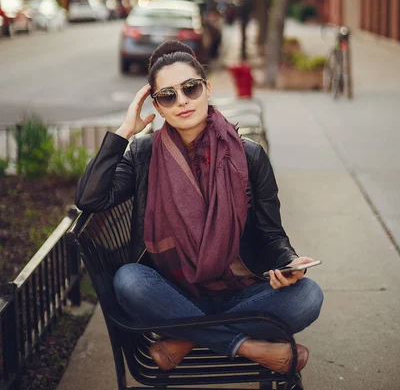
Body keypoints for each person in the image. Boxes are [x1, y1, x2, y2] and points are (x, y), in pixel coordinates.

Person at [76, 41, 323, 374]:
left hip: (239, 293)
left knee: (308, 296)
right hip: (172, 293)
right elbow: (90, 199)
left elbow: (270, 232)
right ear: (158, 107)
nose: (181, 101)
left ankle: (188, 336)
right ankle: (248, 346)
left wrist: (289, 263)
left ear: (207, 89)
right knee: (130, 281)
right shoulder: (144, 154)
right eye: (167, 96)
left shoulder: (249, 156)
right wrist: (124, 132)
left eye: (190, 88)